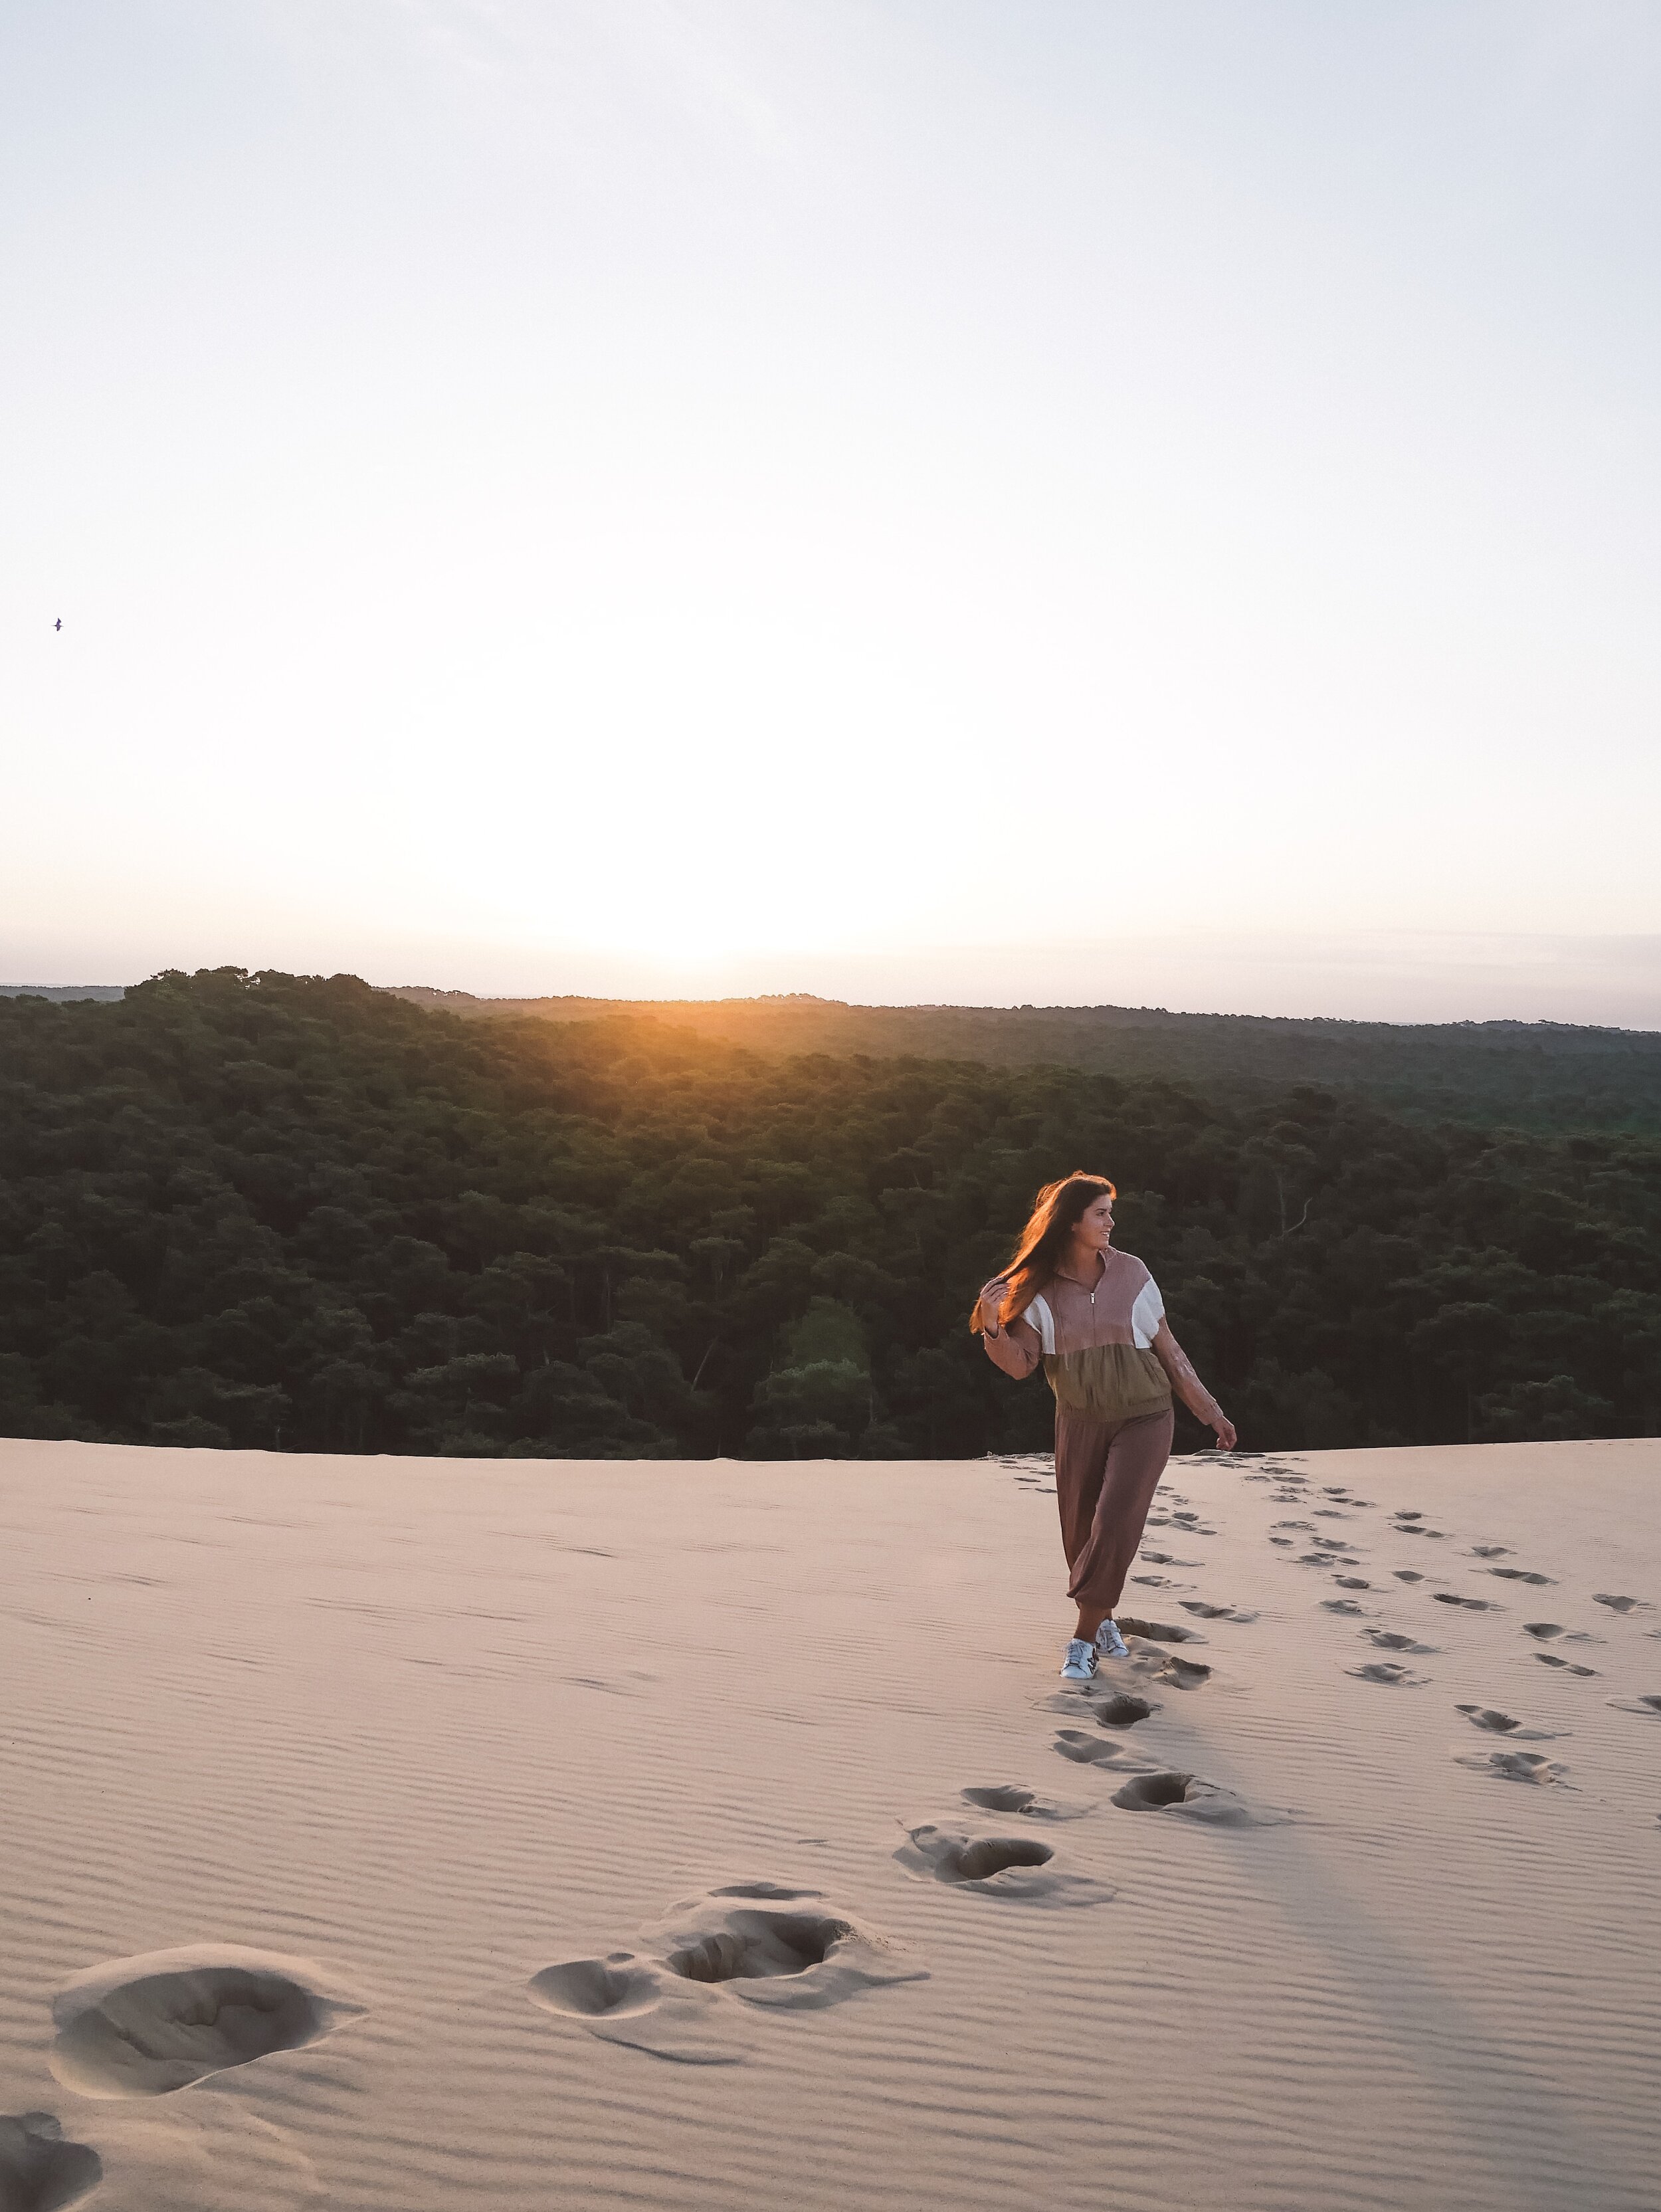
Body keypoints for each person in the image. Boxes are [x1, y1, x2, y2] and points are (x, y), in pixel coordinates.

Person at [972, 1171, 1236, 1681]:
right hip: (1079, 1422)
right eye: (1101, 1212)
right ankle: (1106, 1619)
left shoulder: (1133, 1274)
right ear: (1072, 1222)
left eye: (1109, 1212)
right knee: (1081, 1536)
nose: (1111, 1222)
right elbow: (1021, 1364)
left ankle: (1083, 1641)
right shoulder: (1039, 1291)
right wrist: (991, 1323)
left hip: (1146, 1415)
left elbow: (1171, 1352)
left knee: (1114, 1521)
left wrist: (1211, 1412)